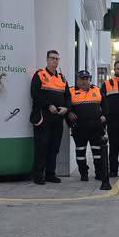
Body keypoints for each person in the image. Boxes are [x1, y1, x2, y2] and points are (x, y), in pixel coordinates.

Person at [30, 49, 70, 184]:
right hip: (43, 116)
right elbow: (35, 94)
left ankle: (50, 174)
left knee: (54, 147)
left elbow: (68, 96)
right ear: (47, 60)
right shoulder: (40, 75)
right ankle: (38, 175)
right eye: (52, 58)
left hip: (58, 117)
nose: (55, 61)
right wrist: (48, 105)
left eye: (57, 59)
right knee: (42, 146)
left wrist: (66, 108)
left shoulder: (62, 78)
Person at [67, 71, 108, 184]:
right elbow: (66, 106)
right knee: (80, 152)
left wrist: (104, 115)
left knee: (98, 152)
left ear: (90, 80)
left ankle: (99, 173)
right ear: (77, 80)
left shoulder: (97, 90)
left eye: (87, 79)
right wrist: (69, 113)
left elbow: (105, 105)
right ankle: (83, 174)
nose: (84, 81)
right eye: (82, 79)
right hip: (79, 128)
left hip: (96, 128)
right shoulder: (71, 91)